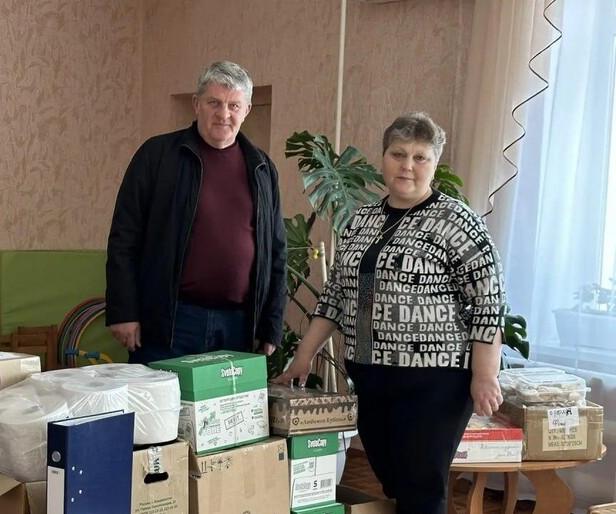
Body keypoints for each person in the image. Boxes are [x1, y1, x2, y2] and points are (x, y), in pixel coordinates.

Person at [273, 112, 506, 514]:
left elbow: (489, 301)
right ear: (383, 157)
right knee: (393, 478)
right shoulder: (362, 220)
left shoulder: (457, 221)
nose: (407, 165)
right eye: (398, 154)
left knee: (421, 485)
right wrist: (303, 357)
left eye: (420, 157)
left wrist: (485, 374)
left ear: (434, 163)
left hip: (436, 381)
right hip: (371, 375)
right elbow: (336, 295)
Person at [105, 60, 287, 365]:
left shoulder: (262, 168)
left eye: (233, 105)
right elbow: (124, 238)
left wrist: (272, 324)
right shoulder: (157, 155)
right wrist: (123, 311)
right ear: (196, 104)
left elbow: (276, 252)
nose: (224, 113)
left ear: (246, 110)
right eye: (214, 102)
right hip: (169, 322)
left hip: (238, 326)